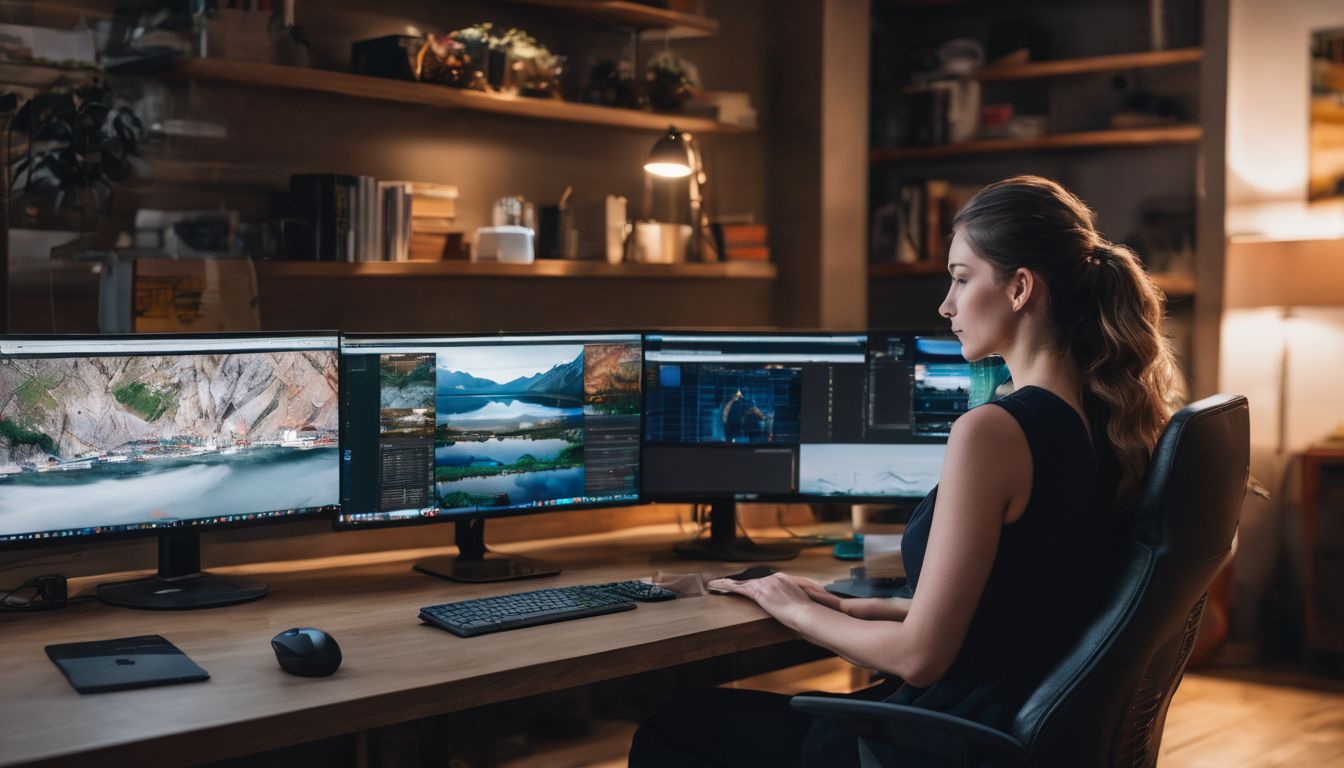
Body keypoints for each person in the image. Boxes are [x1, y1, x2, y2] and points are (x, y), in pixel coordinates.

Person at [628, 176, 1180, 767]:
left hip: (949, 738)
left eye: (962, 278)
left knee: (675, 726)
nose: (946, 304)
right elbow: (1013, 609)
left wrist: (793, 610)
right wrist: (838, 604)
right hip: (1010, 731)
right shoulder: (1107, 421)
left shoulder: (994, 432)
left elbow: (921, 658)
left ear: (1020, 288)